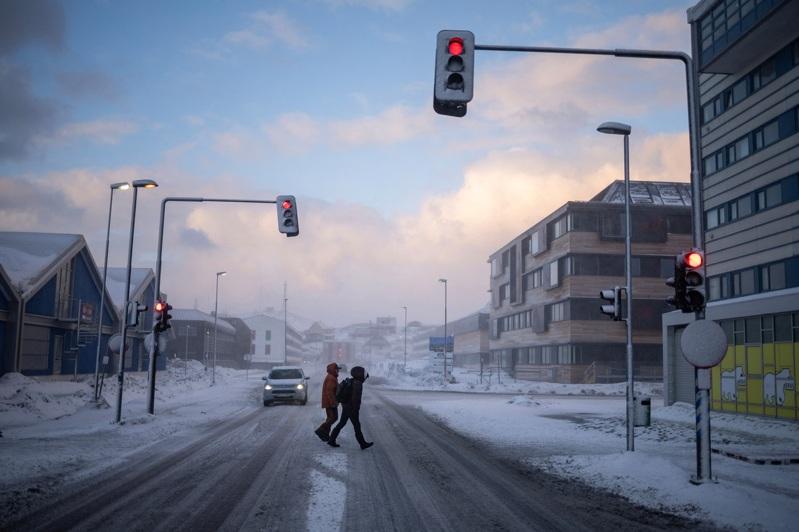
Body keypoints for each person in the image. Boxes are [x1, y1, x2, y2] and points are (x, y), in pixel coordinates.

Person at [328, 366, 373, 450]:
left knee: (342, 423)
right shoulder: (358, 384)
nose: (364, 378)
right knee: (356, 425)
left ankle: (331, 439)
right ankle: (362, 444)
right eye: (364, 376)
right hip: (351, 407)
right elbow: (356, 399)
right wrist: (356, 410)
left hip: (346, 405)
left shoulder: (350, 381)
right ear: (360, 374)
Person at [314, 362, 340, 442]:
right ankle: (320, 430)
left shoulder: (332, 377)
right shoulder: (331, 378)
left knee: (331, 418)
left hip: (330, 402)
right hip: (330, 403)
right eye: (337, 369)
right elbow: (329, 392)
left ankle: (325, 434)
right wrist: (333, 403)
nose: (338, 371)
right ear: (334, 370)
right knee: (333, 418)